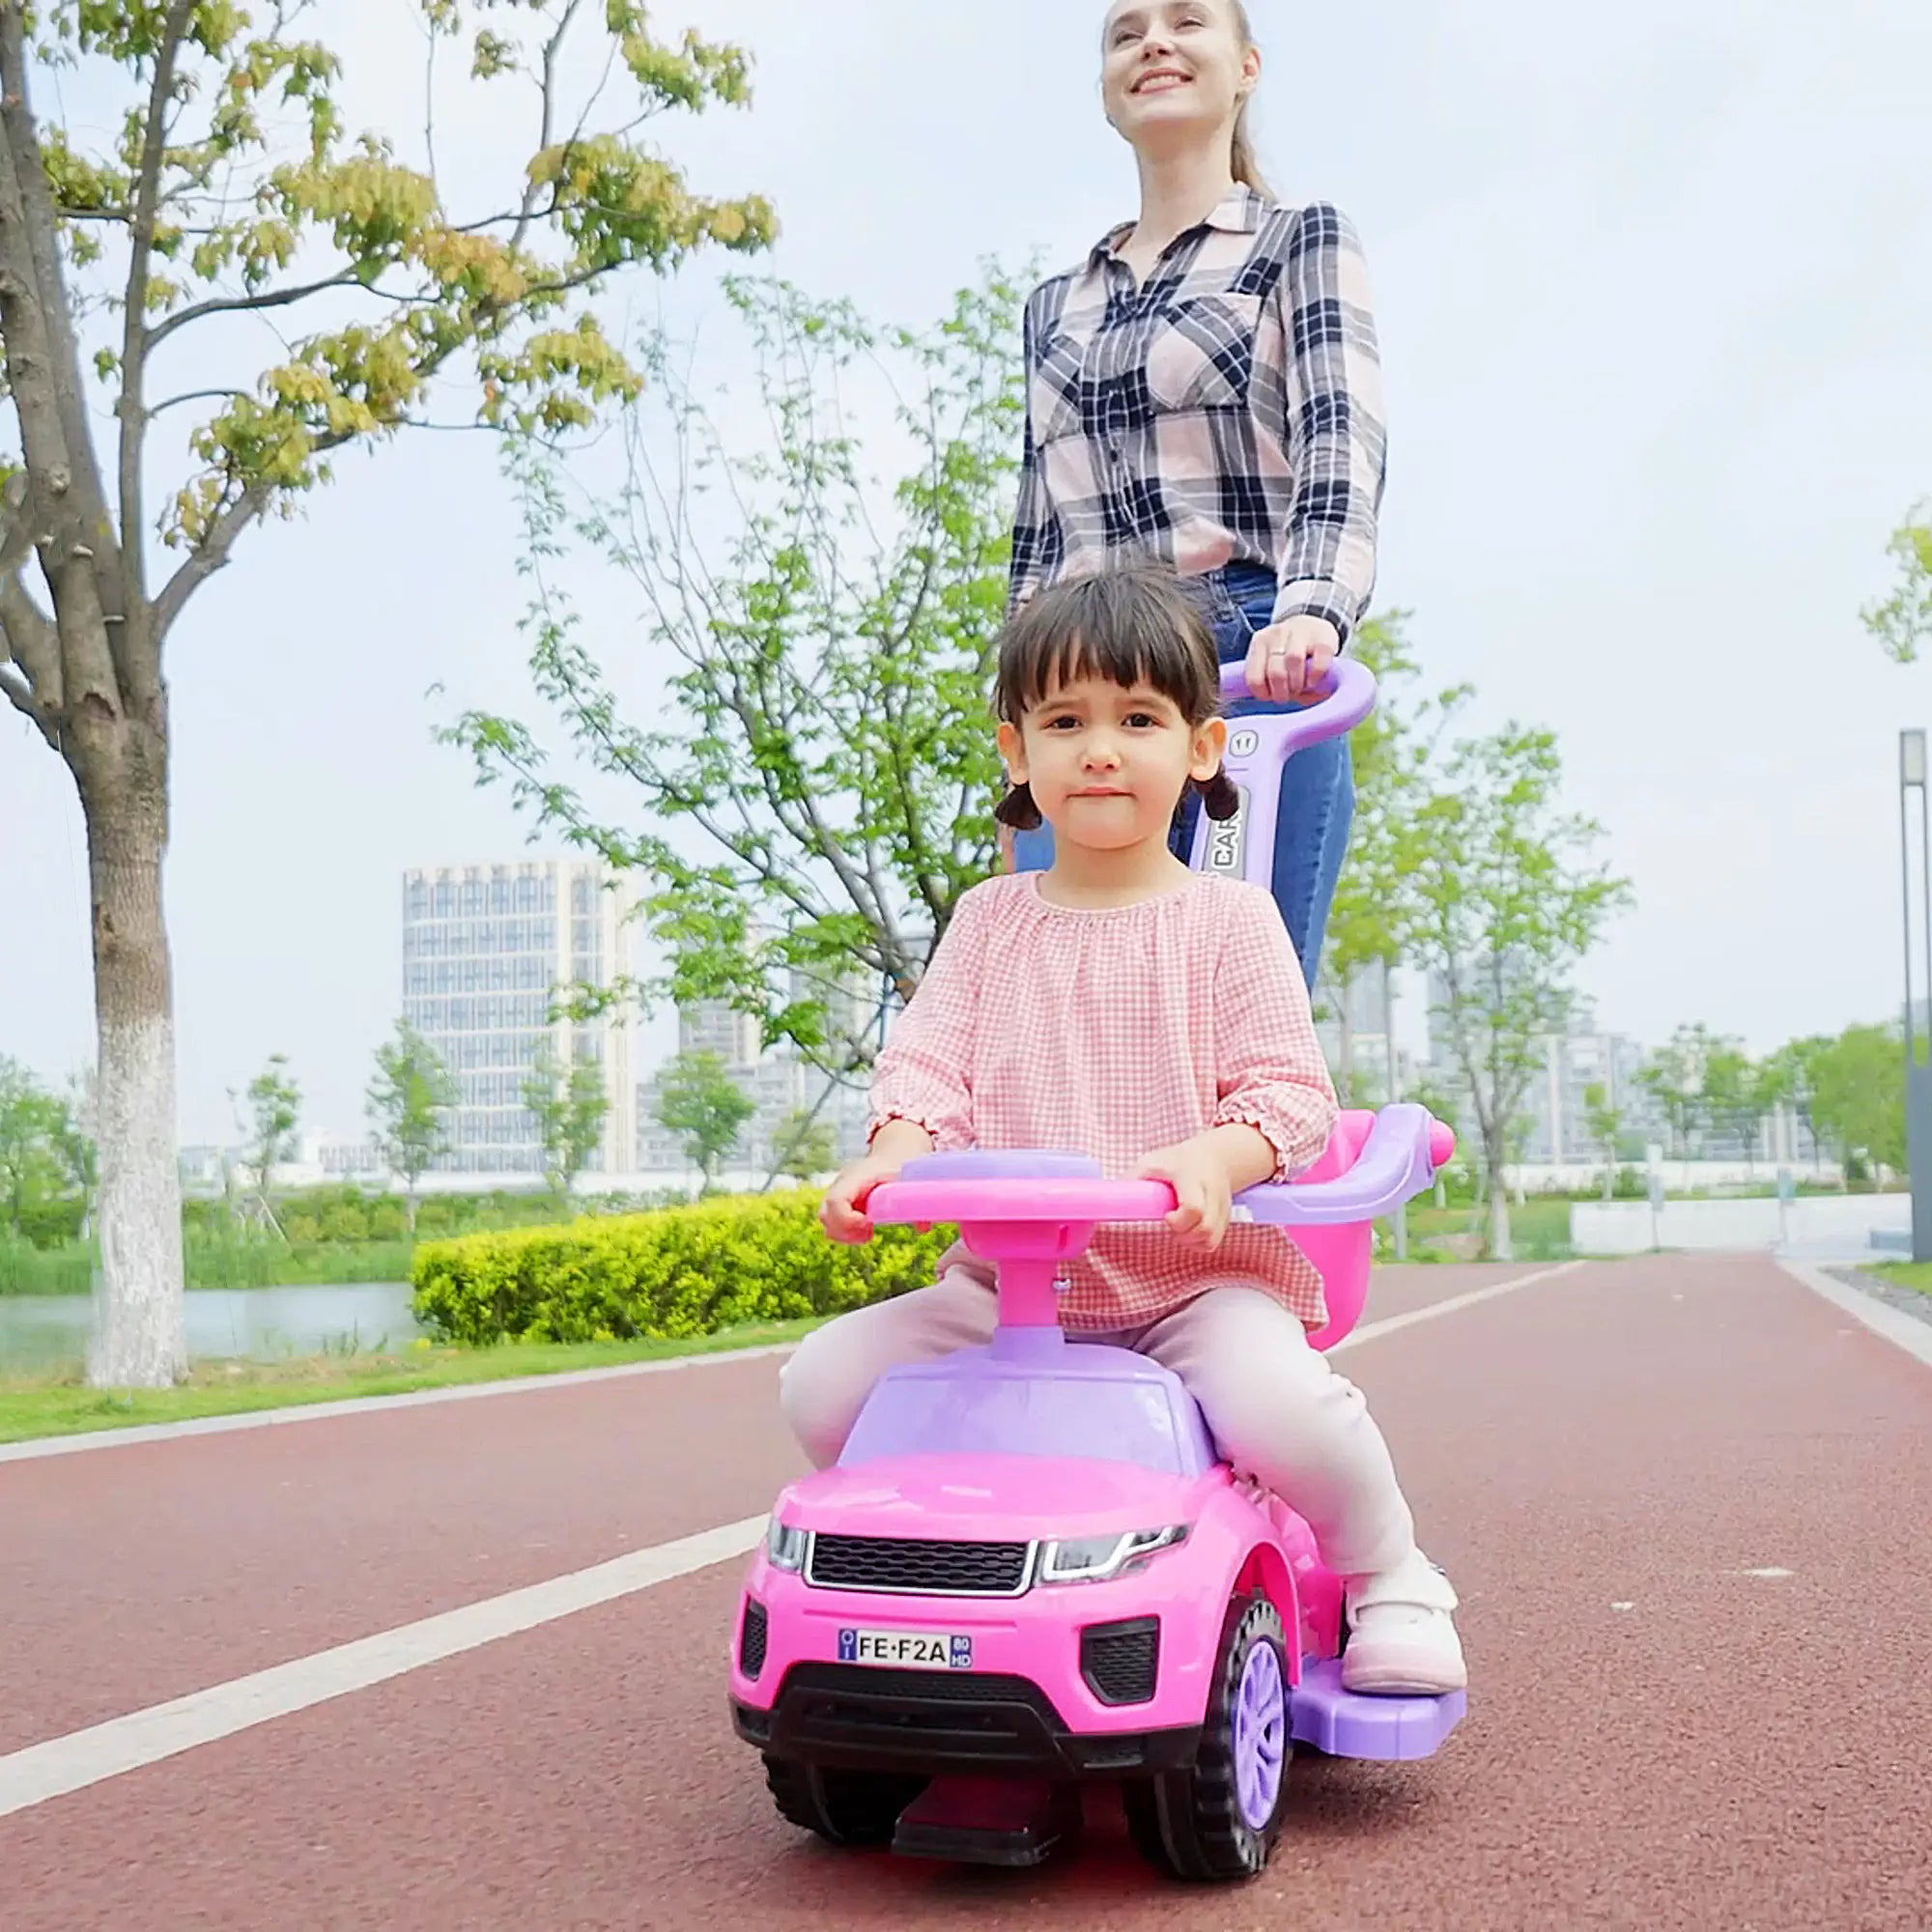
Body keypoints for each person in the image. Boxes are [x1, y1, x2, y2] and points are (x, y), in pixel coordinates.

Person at [781, 567, 1463, 1697]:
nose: (1100, 749)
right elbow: (929, 1065)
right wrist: (896, 1147)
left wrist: (1217, 1153)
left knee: (1285, 1404)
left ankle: (1390, 1569)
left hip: (1189, 1281)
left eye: (1137, 719)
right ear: (1016, 754)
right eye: (1065, 721)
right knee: (820, 1385)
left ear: (1200, 749)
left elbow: (1287, 1094)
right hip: (1010, 1292)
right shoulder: (988, 923)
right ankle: (958, 1555)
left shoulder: (1227, 920)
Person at [1003, 0, 1386, 993]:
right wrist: (1014, 703)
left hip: (1251, 664)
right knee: (1060, 1002)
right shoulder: (1055, 304)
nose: (1154, 44)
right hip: (1080, 680)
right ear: (1105, 89)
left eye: (1185, 23)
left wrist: (1312, 612)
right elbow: (1037, 529)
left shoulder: (1296, 242)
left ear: (1245, 64)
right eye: (1125, 33)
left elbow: (1338, 441)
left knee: (1230, 999)